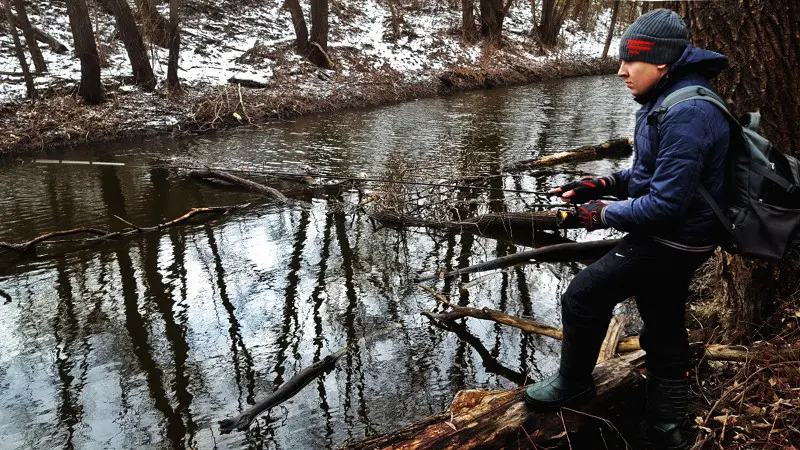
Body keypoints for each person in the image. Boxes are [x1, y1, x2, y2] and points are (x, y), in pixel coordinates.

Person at [523, 8, 730, 450]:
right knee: (663, 319)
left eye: (629, 62)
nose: (620, 71)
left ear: (661, 62)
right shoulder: (667, 99)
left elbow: (666, 205)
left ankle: (575, 384)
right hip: (684, 234)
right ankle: (665, 425)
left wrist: (599, 213)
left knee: (582, 296)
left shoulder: (688, 112)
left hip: (675, 238)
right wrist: (601, 184)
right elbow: (650, 178)